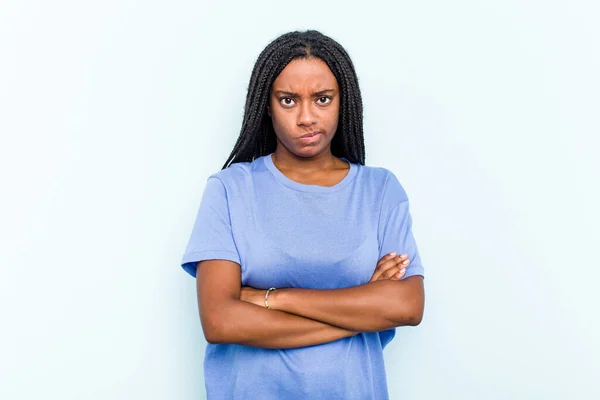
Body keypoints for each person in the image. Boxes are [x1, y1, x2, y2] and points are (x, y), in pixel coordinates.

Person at [180, 29, 425, 400]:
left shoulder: (379, 191)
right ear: (267, 104)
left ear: (343, 101)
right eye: (288, 100)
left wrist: (273, 298)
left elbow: (406, 305)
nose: (307, 117)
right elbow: (220, 321)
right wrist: (362, 311)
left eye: (322, 99)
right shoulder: (230, 189)